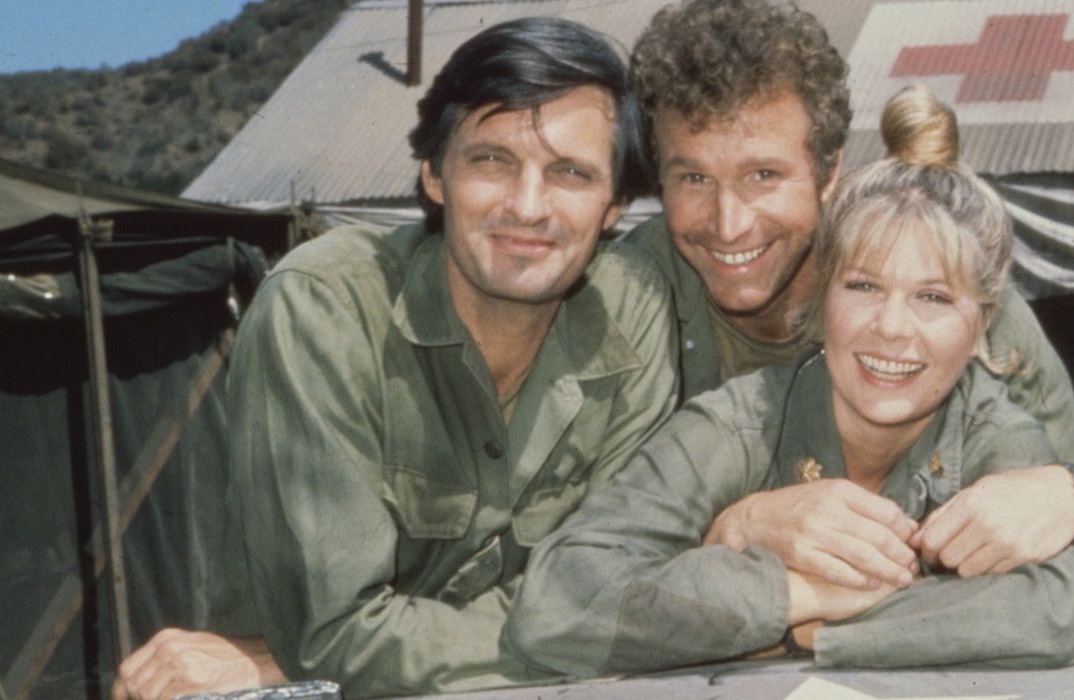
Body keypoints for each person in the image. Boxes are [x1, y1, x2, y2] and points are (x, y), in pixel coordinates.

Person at [112, 17, 677, 699]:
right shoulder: (327, 306)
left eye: (571, 173)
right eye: (492, 160)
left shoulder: (635, 315)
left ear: (614, 205)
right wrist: (597, 633)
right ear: (434, 174)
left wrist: (301, 653)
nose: (528, 207)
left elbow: (626, 583)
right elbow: (336, 635)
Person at [621, 0, 1074, 638]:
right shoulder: (631, 296)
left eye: (764, 175)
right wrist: (735, 530)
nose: (729, 223)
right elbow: (590, 557)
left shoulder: (950, 299)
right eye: (692, 178)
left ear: (828, 176)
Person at [507, 84, 1074, 673]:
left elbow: (1052, 607)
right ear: (824, 296)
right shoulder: (740, 420)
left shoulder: (994, 425)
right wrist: (795, 598)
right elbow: (557, 600)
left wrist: (817, 635)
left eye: (933, 297)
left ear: (981, 325)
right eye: (863, 286)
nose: (890, 327)